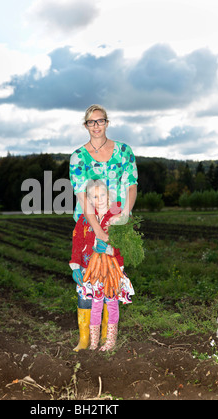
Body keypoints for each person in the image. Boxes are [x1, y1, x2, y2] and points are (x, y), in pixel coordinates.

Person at [69, 104, 138, 351]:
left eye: (100, 121)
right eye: (91, 122)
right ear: (85, 125)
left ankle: (109, 341)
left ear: (107, 123)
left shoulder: (124, 151)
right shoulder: (78, 157)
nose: (96, 126)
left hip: (116, 222)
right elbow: (80, 194)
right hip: (88, 226)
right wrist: (98, 230)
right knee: (87, 282)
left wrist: (124, 217)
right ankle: (85, 339)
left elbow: (131, 184)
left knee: (111, 280)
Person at [69, 179, 135, 351]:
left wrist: (112, 250)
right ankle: (86, 340)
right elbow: (77, 242)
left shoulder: (117, 216)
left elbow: (128, 245)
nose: (99, 199)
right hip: (88, 268)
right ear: (89, 200)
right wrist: (75, 265)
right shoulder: (84, 220)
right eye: (94, 196)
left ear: (108, 194)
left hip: (111, 268)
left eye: (102, 194)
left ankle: (107, 338)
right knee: (85, 301)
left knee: (109, 302)